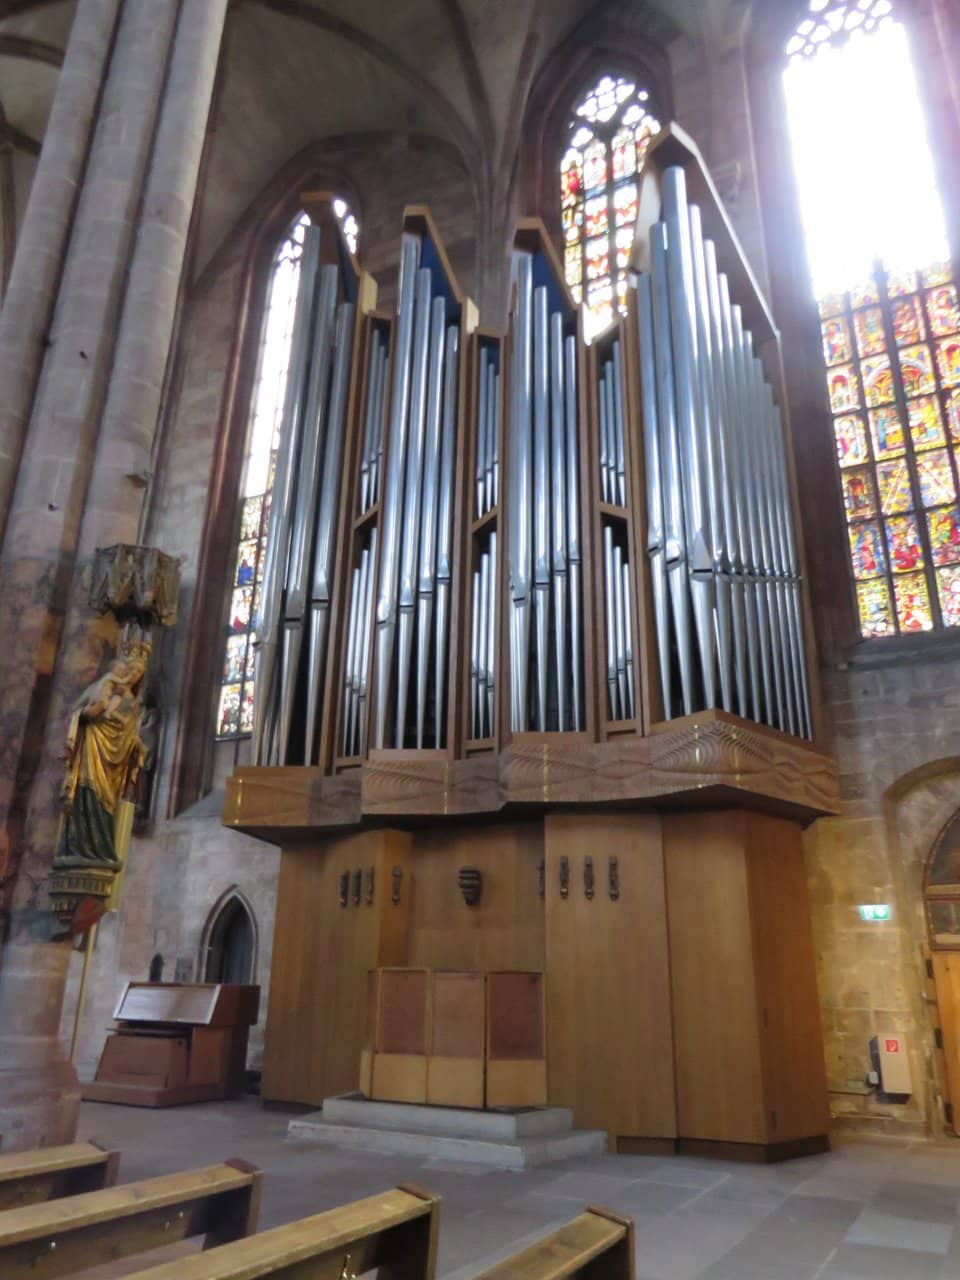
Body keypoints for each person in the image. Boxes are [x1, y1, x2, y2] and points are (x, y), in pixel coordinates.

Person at [56, 639, 150, 868]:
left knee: (106, 803)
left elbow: (129, 731)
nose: (134, 675)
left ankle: (99, 849)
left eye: (139, 673)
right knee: (86, 792)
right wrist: (93, 711)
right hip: (93, 746)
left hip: (114, 761)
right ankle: (79, 847)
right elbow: (84, 710)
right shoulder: (105, 685)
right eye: (133, 670)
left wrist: (138, 745)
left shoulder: (132, 701)